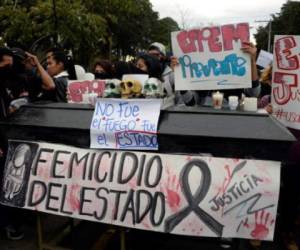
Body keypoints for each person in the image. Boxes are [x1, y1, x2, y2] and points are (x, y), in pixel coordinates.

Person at [170, 41, 261, 106]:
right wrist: (179, 75)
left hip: (233, 120)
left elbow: (254, 94)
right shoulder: (199, 75)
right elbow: (190, 102)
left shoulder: (237, 74)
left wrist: (252, 61)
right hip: (204, 121)